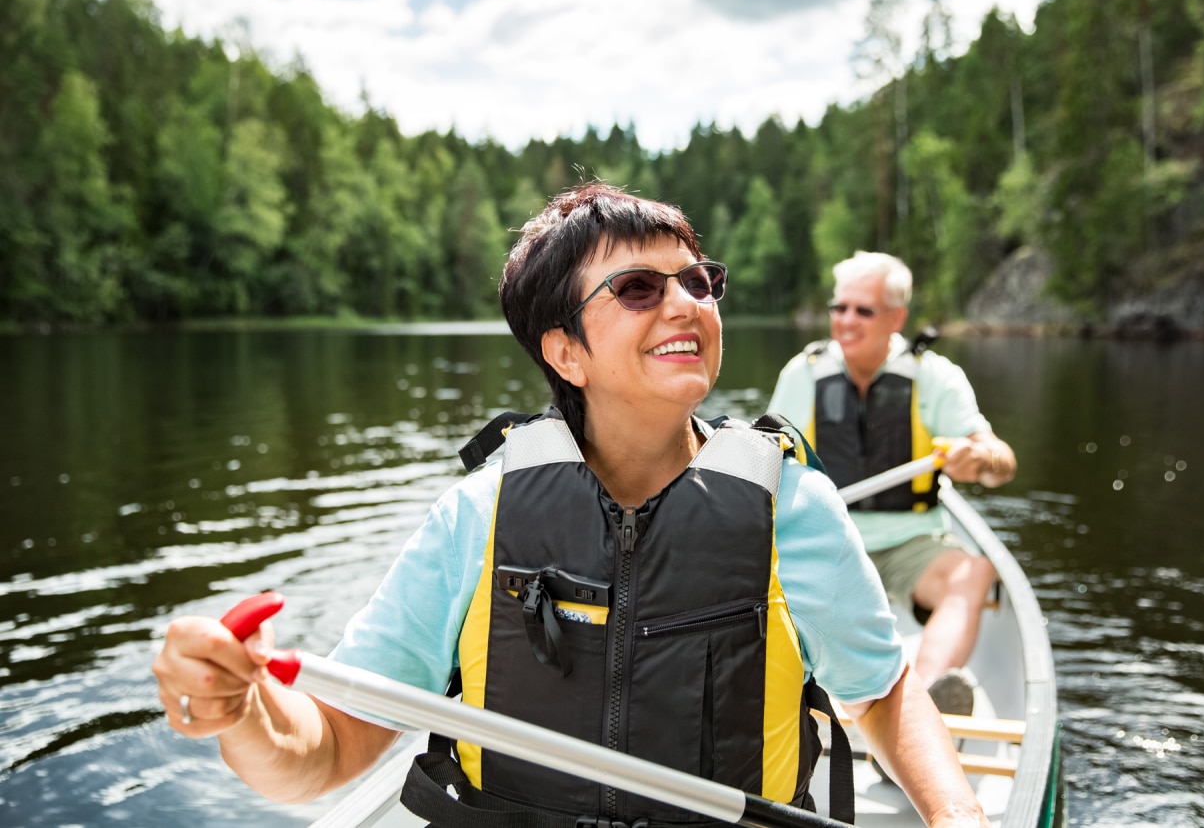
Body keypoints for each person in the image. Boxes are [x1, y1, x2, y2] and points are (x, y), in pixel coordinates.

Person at [152, 186, 989, 828]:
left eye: (699, 280)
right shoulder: (476, 519)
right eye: (636, 287)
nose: (687, 302)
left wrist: (956, 815)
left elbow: (879, 694)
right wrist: (244, 710)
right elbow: (325, 750)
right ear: (565, 351)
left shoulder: (793, 507)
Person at [768, 250, 1017, 717]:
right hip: (825, 537)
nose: (846, 321)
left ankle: (921, 707)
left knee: (974, 573)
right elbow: (767, 461)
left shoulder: (935, 376)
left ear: (897, 317)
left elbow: (1002, 460)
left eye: (863, 310)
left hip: (909, 543)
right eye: (839, 308)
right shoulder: (803, 374)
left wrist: (979, 457)